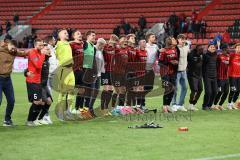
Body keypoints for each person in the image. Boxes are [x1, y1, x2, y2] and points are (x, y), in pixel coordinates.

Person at [0, 39, 28, 126]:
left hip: (8, 79)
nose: (13, 50)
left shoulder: (14, 51)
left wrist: (36, 50)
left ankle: (7, 120)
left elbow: (23, 53)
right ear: (8, 44)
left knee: (11, 101)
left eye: (14, 48)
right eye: (12, 48)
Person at [55, 29, 75, 121]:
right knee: (62, 92)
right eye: (65, 33)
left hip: (71, 70)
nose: (67, 34)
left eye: (67, 32)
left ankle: (69, 111)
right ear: (59, 36)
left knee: (71, 92)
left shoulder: (68, 44)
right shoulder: (58, 44)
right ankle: (60, 112)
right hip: (63, 69)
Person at [26, 39, 45, 126]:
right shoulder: (32, 52)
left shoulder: (40, 53)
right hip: (32, 81)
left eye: (42, 45)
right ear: (35, 45)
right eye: (39, 45)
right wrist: (43, 55)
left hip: (38, 81)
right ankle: (29, 120)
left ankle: (33, 120)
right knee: (36, 101)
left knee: (40, 101)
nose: (41, 47)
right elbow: (38, 65)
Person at [69, 30, 87, 117]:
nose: (80, 35)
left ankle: (78, 108)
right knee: (72, 90)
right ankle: (69, 109)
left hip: (81, 70)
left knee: (82, 90)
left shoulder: (82, 45)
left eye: (80, 33)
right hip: (74, 70)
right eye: (78, 34)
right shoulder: (71, 45)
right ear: (73, 36)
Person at [159, 37, 178, 112]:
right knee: (167, 89)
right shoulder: (163, 51)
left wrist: (176, 62)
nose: (175, 40)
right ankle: (164, 106)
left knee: (173, 89)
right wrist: (170, 62)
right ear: (169, 42)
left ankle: (168, 105)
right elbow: (160, 63)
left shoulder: (174, 50)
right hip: (165, 73)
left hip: (173, 72)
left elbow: (176, 59)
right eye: (173, 39)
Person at [172, 34, 189, 112]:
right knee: (175, 88)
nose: (182, 40)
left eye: (184, 39)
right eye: (181, 39)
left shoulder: (186, 47)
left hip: (184, 71)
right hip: (176, 71)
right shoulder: (175, 48)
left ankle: (180, 104)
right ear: (177, 40)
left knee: (185, 87)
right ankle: (174, 104)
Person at [82, 30, 97, 117]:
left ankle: (86, 111)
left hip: (91, 71)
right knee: (84, 92)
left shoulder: (93, 47)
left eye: (95, 35)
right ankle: (82, 111)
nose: (94, 37)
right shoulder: (85, 44)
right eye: (92, 35)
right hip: (85, 70)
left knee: (90, 92)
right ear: (87, 36)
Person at [101, 35, 118, 111]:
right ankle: (102, 107)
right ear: (110, 39)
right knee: (106, 89)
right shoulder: (104, 47)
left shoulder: (116, 49)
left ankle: (106, 107)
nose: (113, 41)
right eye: (112, 39)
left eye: (115, 40)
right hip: (105, 71)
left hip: (113, 71)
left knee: (111, 89)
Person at [111, 36, 128, 108]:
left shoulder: (127, 50)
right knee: (117, 91)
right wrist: (114, 41)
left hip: (124, 73)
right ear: (119, 41)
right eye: (123, 39)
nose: (125, 41)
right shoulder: (117, 49)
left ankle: (120, 107)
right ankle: (112, 107)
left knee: (123, 90)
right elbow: (111, 44)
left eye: (126, 40)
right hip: (116, 73)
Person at [213, 44, 229, 110]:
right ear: (222, 50)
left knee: (226, 92)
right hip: (220, 78)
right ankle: (214, 104)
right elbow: (215, 66)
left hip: (226, 78)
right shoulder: (218, 56)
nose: (226, 50)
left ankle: (220, 105)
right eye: (224, 49)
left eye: (226, 49)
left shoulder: (228, 57)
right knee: (220, 92)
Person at [144, 33, 159, 109]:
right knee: (142, 86)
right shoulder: (145, 46)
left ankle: (140, 102)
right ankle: (141, 104)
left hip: (151, 69)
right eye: (153, 37)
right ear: (148, 38)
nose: (154, 38)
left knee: (150, 87)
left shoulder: (156, 46)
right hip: (143, 69)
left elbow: (157, 56)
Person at [187, 45, 203, 111]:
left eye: (202, 49)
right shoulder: (191, 54)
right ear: (196, 49)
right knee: (194, 90)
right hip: (192, 75)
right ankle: (190, 105)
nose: (201, 50)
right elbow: (188, 62)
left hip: (199, 75)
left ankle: (193, 104)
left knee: (200, 89)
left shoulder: (201, 55)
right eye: (200, 49)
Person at [202, 42, 218, 110]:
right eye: (211, 47)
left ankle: (209, 105)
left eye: (213, 47)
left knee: (215, 92)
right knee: (208, 92)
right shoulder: (205, 56)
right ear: (208, 48)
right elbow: (202, 66)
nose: (213, 48)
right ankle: (204, 105)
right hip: (207, 76)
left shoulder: (216, 55)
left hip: (214, 76)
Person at [95, 38, 108, 115]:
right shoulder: (94, 50)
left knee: (96, 91)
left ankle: (89, 108)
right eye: (102, 45)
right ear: (99, 44)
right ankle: (86, 108)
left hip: (99, 74)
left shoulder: (100, 51)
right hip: (93, 74)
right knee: (92, 92)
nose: (103, 47)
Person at [227, 43, 240, 110]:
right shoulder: (232, 55)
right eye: (238, 48)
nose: (239, 49)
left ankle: (232, 103)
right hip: (232, 76)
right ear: (235, 48)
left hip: (239, 76)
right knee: (233, 90)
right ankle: (228, 104)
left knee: (238, 91)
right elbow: (227, 63)